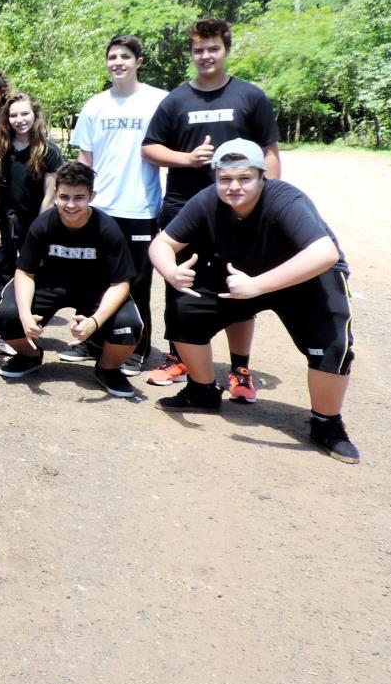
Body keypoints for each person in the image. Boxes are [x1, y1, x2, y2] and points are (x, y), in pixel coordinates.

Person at [149, 140, 358, 461]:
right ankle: (202, 390)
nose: (234, 186)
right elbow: (162, 243)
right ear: (215, 177)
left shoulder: (285, 200)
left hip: (304, 278)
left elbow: (324, 253)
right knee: (183, 307)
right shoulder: (205, 201)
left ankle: (326, 423)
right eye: (224, 179)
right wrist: (171, 272)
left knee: (332, 345)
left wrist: (258, 285)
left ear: (263, 177)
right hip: (241, 276)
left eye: (244, 178)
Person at [141, 18, 282, 389]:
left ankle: (240, 369)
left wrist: (269, 202)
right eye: (198, 50)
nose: (205, 55)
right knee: (179, 281)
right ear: (191, 54)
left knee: (237, 285)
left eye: (212, 48)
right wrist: (187, 159)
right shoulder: (175, 100)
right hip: (184, 207)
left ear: (226, 50)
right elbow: (150, 147)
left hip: (238, 212)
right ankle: (178, 357)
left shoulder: (250, 97)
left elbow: (270, 154)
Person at [0, 162, 143, 398]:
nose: (70, 205)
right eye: (64, 197)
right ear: (55, 195)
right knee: (7, 316)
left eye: (79, 197)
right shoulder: (43, 224)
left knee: (129, 325)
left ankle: (107, 369)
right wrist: (25, 316)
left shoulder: (107, 228)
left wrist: (95, 321)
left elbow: (120, 283)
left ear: (92, 196)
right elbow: (25, 273)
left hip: (95, 288)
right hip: (48, 284)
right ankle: (29, 356)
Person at [63, 34, 167, 374]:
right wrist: (80, 203)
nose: (117, 62)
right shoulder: (96, 105)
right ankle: (94, 341)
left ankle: (136, 348)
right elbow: (84, 159)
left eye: (124, 56)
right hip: (102, 207)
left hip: (140, 208)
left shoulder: (158, 101)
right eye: (112, 57)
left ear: (138, 62)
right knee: (96, 280)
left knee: (136, 282)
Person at [0, 93, 61, 275]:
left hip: (33, 223)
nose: (19, 120)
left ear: (35, 115)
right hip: (3, 224)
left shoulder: (49, 151)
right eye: (13, 115)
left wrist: (39, 232)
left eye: (25, 114)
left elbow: (49, 197)